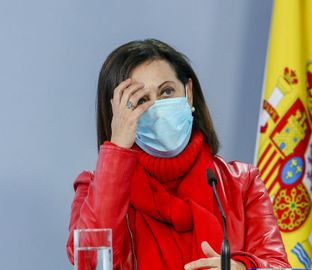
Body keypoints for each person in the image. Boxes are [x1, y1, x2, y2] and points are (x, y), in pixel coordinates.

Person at [66, 39, 291, 270]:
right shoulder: (93, 189)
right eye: (141, 100)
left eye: (166, 91)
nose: (157, 108)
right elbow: (91, 262)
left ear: (189, 93)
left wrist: (243, 268)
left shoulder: (242, 183)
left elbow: (278, 265)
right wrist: (117, 150)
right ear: (118, 113)